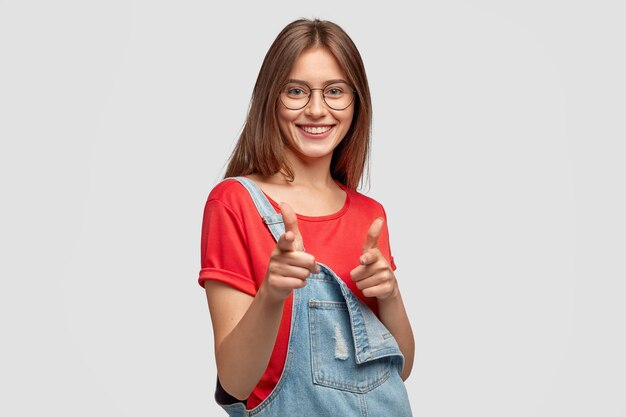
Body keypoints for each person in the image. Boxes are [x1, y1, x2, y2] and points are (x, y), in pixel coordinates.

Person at [198, 18, 415, 416]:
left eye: (335, 91)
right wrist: (272, 294)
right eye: (296, 91)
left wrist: (391, 294)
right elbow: (234, 382)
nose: (317, 109)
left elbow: (398, 371)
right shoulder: (234, 203)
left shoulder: (371, 215)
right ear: (271, 98)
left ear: (356, 102)